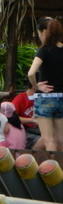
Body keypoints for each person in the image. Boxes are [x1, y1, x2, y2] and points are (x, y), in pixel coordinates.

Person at [27, 17, 63, 151]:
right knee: (61, 139)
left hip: (45, 98)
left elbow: (31, 73)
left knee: (49, 139)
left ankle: (51, 168)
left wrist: (37, 86)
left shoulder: (44, 50)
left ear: (43, 32)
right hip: (61, 98)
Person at [11, 81, 44, 149]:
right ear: (34, 87)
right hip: (26, 130)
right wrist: (33, 120)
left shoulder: (42, 98)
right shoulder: (20, 99)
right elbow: (12, 118)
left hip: (41, 130)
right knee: (44, 141)